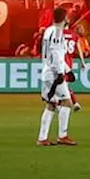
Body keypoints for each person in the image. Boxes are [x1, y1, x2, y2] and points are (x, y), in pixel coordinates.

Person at [37, 8, 76, 146]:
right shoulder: (58, 32)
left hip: (48, 71)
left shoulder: (48, 31)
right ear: (64, 18)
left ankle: (43, 138)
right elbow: (55, 54)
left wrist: (68, 70)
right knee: (66, 102)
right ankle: (62, 135)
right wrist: (60, 72)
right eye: (68, 16)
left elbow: (55, 54)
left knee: (52, 104)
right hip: (53, 73)